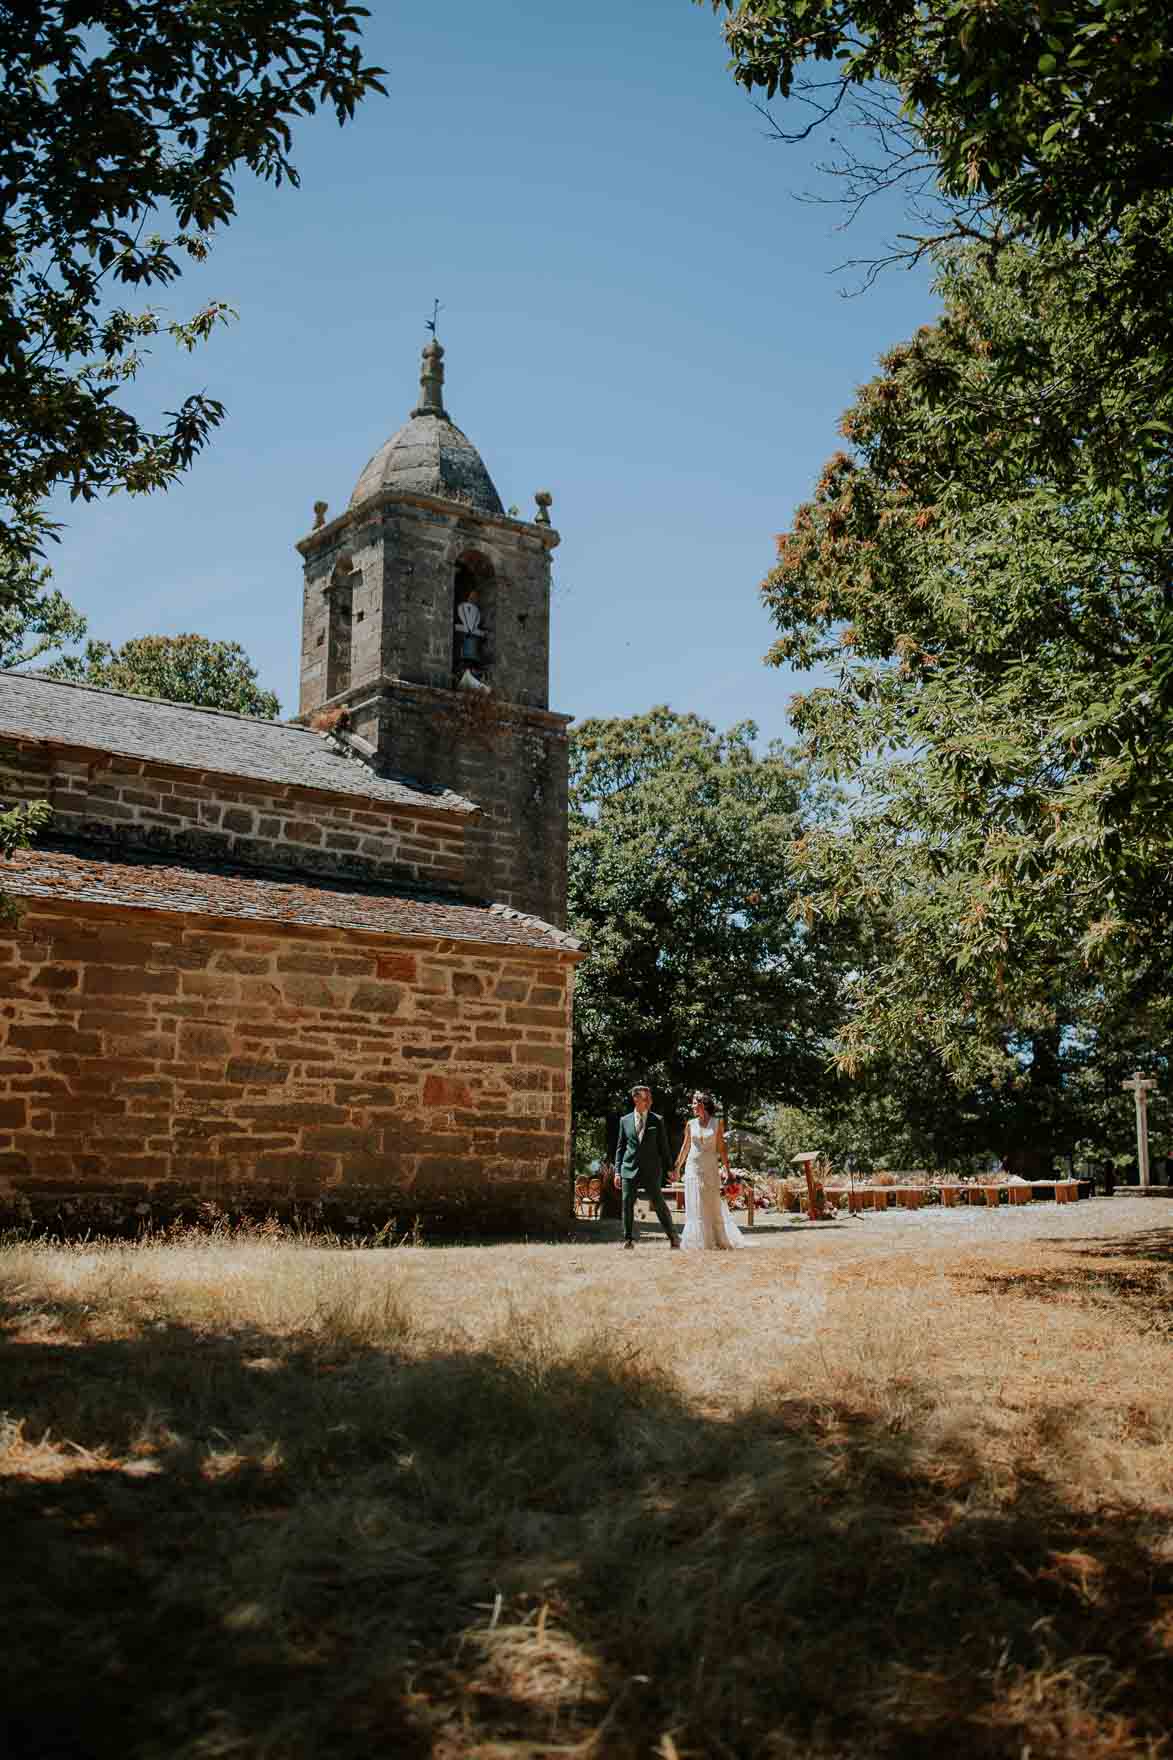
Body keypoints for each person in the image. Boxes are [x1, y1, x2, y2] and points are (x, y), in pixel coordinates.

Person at [674, 1090, 746, 1251]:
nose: (692, 1106)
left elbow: (721, 1148)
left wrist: (728, 1171)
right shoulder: (690, 1124)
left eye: (694, 1103)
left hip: (710, 1168)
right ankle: (699, 1241)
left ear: (703, 1104)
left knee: (711, 1203)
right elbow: (685, 1147)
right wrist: (677, 1167)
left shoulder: (717, 1123)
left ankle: (717, 1239)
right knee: (697, 1203)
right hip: (693, 1167)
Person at [614, 1084, 680, 1250]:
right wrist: (617, 1171)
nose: (650, 1101)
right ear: (636, 1099)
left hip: (651, 1169)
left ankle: (673, 1237)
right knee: (627, 1203)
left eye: (650, 1098)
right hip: (629, 1168)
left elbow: (664, 1147)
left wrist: (670, 1169)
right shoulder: (625, 1121)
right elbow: (620, 1148)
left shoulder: (657, 1120)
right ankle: (628, 1240)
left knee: (658, 1203)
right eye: (646, 1098)